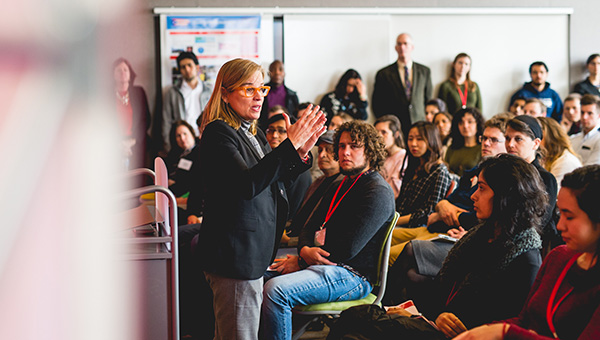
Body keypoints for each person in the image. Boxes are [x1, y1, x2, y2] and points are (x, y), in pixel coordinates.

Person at [329, 154, 546, 340]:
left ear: (505, 197)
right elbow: (446, 289)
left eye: (482, 188)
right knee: (353, 320)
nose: (473, 195)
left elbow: (506, 325)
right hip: (436, 322)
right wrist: (419, 313)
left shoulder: (526, 258)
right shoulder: (483, 234)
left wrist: (436, 319)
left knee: (355, 325)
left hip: (460, 335)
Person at [195, 58, 326, 340]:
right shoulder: (219, 132)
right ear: (226, 93)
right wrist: (288, 146)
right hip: (234, 257)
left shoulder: (252, 133)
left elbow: (274, 182)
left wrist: (299, 152)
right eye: (248, 89)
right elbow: (247, 185)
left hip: (252, 253)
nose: (258, 97)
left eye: (261, 89)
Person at [261, 121, 396, 340]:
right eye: (341, 146)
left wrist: (303, 260)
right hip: (323, 264)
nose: (345, 152)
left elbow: (347, 249)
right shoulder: (339, 183)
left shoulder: (377, 191)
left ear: (370, 150)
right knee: (255, 275)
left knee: (276, 291)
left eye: (354, 146)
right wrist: (304, 250)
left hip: (353, 276)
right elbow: (308, 227)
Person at [455, 165, 600, 340]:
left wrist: (504, 332)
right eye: (560, 214)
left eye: (569, 217)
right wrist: (480, 331)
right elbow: (524, 319)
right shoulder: (558, 257)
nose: (560, 226)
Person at [390, 121, 452, 262]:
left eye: (419, 139)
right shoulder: (414, 166)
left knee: (385, 250)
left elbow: (428, 213)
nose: (413, 144)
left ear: (430, 140)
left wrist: (395, 220)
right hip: (401, 223)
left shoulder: (439, 171)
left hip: (420, 227)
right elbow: (400, 201)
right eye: (410, 138)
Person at [505, 115, 559, 248]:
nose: (510, 144)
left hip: (527, 246)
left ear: (535, 143)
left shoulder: (545, 178)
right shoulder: (503, 173)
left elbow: (538, 223)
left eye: (518, 139)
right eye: (507, 138)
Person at [283, 130, 344, 239]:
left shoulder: (343, 184)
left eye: (329, 150)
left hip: (305, 245)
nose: (322, 155)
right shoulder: (319, 181)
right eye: (320, 150)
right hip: (292, 237)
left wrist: (290, 241)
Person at [372, 33, 433, 138]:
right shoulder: (384, 73)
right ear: (396, 48)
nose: (402, 47)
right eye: (399, 44)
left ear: (412, 47)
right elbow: (377, 103)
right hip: (395, 128)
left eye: (405, 44)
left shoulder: (424, 71)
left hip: (418, 123)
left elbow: (428, 98)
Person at [157, 51, 212, 155]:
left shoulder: (209, 91)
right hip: (182, 143)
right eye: (183, 67)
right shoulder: (172, 93)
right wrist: (168, 147)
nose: (187, 69)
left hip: (204, 139)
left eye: (189, 65)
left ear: (197, 67)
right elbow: (166, 121)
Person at [265, 114, 313, 218]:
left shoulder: (299, 168)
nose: (274, 135)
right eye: (271, 130)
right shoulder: (267, 161)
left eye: (281, 131)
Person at [113, 57, 150, 170]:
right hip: (115, 145)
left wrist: (132, 141)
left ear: (130, 74)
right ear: (113, 75)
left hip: (137, 142)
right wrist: (119, 144)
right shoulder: (106, 95)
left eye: (125, 70)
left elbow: (146, 119)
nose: (122, 73)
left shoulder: (139, 92)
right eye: (119, 70)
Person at [538, 116, 582, 187]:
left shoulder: (565, 161)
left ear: (550, 138)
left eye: (539, 137)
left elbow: (551, 195)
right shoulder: (545, 157)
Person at [259, 60, 299, 129]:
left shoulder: (292, 96)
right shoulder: (261, 92)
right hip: (264, 131)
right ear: (269, 73)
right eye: (273, 70)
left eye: (280, 69)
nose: (277, 72)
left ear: (284, 73)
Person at [164, 120, 200, 198]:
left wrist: (173, 184)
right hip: (169, 191)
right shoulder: (174, 154)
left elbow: (191, 181)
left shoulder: (199, 152)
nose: (182, 138)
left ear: (192, 134)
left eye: (185, 134)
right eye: (178, 136)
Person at [444, 107, 484, 176]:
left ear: (478, 124)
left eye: (470, 122)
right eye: (461, 123)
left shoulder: (483, 148)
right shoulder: (452, 147)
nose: (465, 126)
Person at [375, 115, 407, 198]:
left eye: (384, 132)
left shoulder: (404, 156)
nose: (379, 136)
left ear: (396, 134)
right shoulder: (378, 157)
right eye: (376, 132)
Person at [570, 94, 600, 166]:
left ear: (598, 115)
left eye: (590, 113)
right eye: (582, 112)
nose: (584, 117)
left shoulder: (598, 139)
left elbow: (591, 169)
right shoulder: (573, 138)